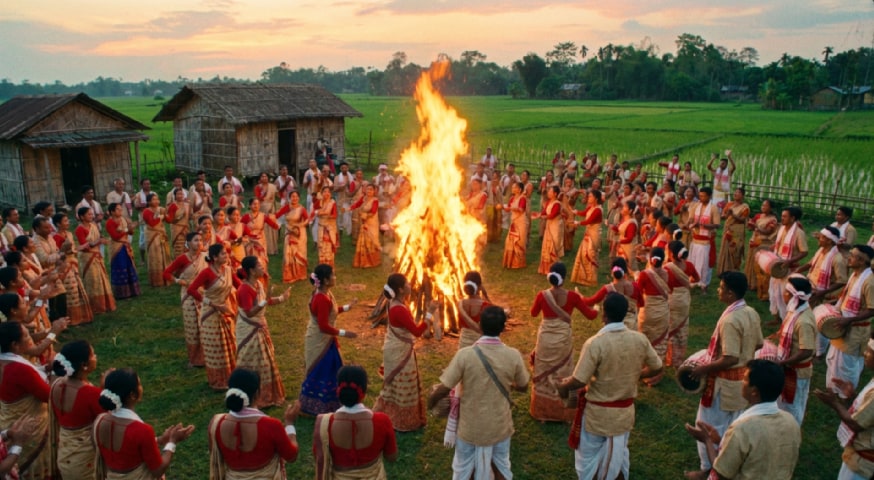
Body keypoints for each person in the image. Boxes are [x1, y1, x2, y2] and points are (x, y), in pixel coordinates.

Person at [558, 292, 663, 480]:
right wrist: (637, 376)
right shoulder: (640, 339)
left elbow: (579, 380)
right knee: (617, 457)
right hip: (623, 415)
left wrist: (563, 387)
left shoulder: (595, 343)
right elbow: (657, 366)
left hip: (597, 417)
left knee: (589, 459)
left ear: (604, 315)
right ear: (625, 314)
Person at [428, 306, 530, 480]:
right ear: (504, 328)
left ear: (480, 326)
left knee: (464, 470)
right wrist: (510, 386)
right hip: (500, 427)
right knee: (501, 468)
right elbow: (524, 385)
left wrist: (430, 403)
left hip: (469, 429)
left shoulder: (465, 355)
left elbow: (444, 387)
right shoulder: (513, 355)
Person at [689, 271, 763, 472]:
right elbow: (759, 344)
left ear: (730, 294)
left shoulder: (730, 320)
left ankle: (708, 469)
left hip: (723, 386)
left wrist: (705, 368)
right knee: (732, 426)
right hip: (742, 383)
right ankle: (725, 465)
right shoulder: (751, 312)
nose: (718, 290)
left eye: (721, 287)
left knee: (707, 426)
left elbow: (730, 357)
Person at [685, 360, 800, 480]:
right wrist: (721, 441)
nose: (741, 382)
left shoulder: (743, 428)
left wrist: (707, 440)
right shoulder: (791, 421)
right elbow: (758, 452)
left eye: (745, 379)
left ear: (754, 392)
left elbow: (721, 474)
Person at [94, 369, 195, 478]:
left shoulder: (100, 421)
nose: (141, 388)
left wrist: (159, 440)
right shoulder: (142, 430)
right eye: (139, 384)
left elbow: (129, 449)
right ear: (132, 395)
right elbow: (158, 470)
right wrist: (172, 442)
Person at [529, 262, 597, 422]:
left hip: (545, 338)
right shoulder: (573, 297)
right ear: (564, 278)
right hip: (563, 340)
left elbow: (533, 313)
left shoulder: (542, 295)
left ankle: (542, 412)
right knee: (563, 371)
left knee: (544, 371)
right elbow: (591, 316)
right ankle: (564, 413)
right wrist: (597, 309)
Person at [208, 369, 299, 478]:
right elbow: (291, 456)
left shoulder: (216, 424)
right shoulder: (271, 426)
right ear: (257, 393)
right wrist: (289, 424)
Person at [314, 365, 398, 479]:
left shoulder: (324, 423)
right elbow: (391, 457)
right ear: (364, 391)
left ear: (338, 390)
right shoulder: (382, 421)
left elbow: (318, 456)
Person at [373, 273, 434, 431]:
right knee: (403, 384)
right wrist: (430, 313)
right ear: (400, 289)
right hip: (400, 352)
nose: (410, 285)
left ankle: (389, 416)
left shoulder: (393, 302)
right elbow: (417, 332)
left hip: (395, 349)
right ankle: (403, 422)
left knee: (394, 385)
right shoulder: (399, 309)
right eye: (407, 283)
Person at [300, 264, 359, 415]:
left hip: (326, 339)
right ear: (325, 280)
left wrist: (347, 307)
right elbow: (323, 326)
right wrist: (345, 333)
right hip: (320, 340)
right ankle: (316, 405)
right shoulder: (321, 298)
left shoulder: (324, 293)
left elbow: (330, 312)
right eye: (333, 275)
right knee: (322, 369)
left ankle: (330, 402)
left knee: (332, 367)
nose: (335, 277)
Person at [236, 256, 291, 408]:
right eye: (260, 266)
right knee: (253, 363)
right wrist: (265, 301)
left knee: (266, 361)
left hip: (259, 326)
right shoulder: (244, 289)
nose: (263, 268)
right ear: (251, 271)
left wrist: (281, 298)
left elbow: (265, 301)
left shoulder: (258, 284)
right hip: (249, 329)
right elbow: (249, 313)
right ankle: (254, 396)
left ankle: (267, 395)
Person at [816, 337, 874, 480]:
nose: (865, 354)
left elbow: (857, 424)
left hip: (862, 463)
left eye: (870, 351)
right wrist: (852, 396)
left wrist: (834, 403)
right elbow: (867, 413)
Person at [0, 322, 52, 480]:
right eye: (27, 335)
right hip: (29, 426)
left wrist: (43, 370)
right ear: (15, 345)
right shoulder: (19, 369)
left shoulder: (6, 362)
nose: (30, 338)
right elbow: (47, 395)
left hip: (8, 421)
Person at [187, 244, 241, 390]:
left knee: (230, 344)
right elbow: (191, 289)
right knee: (216, 347)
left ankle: (231, 376)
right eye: (223, 254)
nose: (226, 256)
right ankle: (218, 381)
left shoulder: (228, 270)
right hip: (210, 314)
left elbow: (240, 286)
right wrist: (211, 303)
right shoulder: (206, 273)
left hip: (225, 311)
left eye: (226, 253)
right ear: (215, 258)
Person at [49, 340, 105, 479]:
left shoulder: (56, 385)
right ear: (84, 365)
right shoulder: (90, 394)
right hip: (84, 460)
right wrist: (104, 389)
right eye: (92, 355)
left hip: (64, 454)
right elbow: (107, 421)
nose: (96, 357)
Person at [826, 245, 874, 395]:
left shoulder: (869, 282)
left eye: (852, 255)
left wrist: (849, 320)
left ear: (861, 261)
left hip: (855, 331)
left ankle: (846, 394)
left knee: (848, 365)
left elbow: (872, 309)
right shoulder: (855, 275)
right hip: (844, 325)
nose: (848, 257)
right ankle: (834, 389)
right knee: (835, 360)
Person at [796, 225, 847, 358]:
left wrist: (822, 292)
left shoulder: (837, 259)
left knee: (821, 323)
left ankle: (819, 352)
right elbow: (811, 263)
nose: (819, 238)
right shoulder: (821, 250)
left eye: (823, 237)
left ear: (830, 240)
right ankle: (809, 345)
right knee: (810, 319)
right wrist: (798, 270)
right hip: (812, 291)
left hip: (824, 295)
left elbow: (842, 281)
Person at [771, 275, 816, 424]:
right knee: (783, 403)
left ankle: (792, 434)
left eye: (785, 292)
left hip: (797, 372)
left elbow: (807, 351)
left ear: (792, 296)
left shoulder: (803, 321)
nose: (783, 294)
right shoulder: (795, 311)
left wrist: (783, 362)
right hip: (788, 368)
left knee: (794, 406)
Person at [163, 232, 208, 368]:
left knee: (206, 325)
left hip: (204, 293)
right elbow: (166, 273)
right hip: (188, 294)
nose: (199, 243)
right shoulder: (183, 258)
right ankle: (194, 359)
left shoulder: (206, 257)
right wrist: (178, 281)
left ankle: (207, 357)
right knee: (192, 328)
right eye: (195, 240)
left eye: (200, 240)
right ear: (188, 243)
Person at [636, 247, 672, 386]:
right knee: (660, 340)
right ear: (663, 260)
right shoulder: (668, 273)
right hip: (662, 311)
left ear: (650, 260)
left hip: (647, 312)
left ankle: (643, 371)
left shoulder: (645, 274)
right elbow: (672, 290)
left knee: (645, 340)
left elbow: (639, 292)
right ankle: (655, 376)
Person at [52, 213, 93, 325]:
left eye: (67, 220)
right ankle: (72, 319)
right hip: (65, 266)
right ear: (58, 224)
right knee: (71, 292)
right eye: (65, 221)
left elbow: (73, 249)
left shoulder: (69, 234)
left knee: (78, 289)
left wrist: (79, 248)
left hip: (73, 264)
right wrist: (66, 250)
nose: (68, 223)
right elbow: (58, 253)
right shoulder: (55, 237)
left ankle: (81, 316)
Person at [769, 206, 808, 322]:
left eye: (785, 216)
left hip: (788, 269)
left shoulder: (798, 233)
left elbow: (804, 252)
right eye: (782, 216)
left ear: (793, 218)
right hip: (777, 267)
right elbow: (778, 244)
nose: (782, 218)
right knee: (774, 292)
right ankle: (777, 318)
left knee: (784, 295)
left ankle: (786, 320)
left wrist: (789, 261)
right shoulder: (782, 229)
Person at [75, 206, 116, 314]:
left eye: (92, 214)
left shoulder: (93, 226)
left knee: (101, 279)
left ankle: (105, 304)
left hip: (97, 255)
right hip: (88, 257)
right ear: (82, 217)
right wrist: (99, 241)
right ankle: (95, 307)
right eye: (89, 214)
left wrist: (100, 239)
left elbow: (96, 238)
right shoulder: (79, 229)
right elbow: (85, 246)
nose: (92, 216)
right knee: (92, 280)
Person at [666, 241, 700, 367]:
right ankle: (679, 358)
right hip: (684, 300)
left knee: (671, 328)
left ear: (670, 253)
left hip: (672, 299)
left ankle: (671, 359)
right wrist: (687, 283)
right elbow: (697, 279)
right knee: (682, 326)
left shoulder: (667, 268)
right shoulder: (689, 266)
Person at [584, 258, 642, 331]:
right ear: (625, 271)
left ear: (612, 272)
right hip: (632, 326)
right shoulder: (635, 286)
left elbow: (590, 302)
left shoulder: (607, 289)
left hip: (613, 327)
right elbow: (641, 304)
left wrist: (579, 296)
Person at [32, 216, 70, 320]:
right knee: (50, 299)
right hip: (45, 275)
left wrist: (60, 255)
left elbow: (56, 251)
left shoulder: (50, 237)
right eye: (45, 228)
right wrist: (61, 253)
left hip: (55, 271)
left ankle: (62, 323)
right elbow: (44, 259)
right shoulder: (35, 242)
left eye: (49, 227)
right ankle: (53, 325)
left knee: (62, 295)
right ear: (36, 229)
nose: (49, 230)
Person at [687, 187, 720, 292]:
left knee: (704, 264)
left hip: (705, 241)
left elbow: (717, 225)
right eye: (700, 195)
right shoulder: (696, 205)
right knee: (693, 261)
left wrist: (702, 225)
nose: (701, 198)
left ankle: (704, 285)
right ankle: (693, 280)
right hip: (695, 239)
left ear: (709, 196)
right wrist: (691, 223)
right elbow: (691, 218)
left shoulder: (714, 208)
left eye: (703, 196)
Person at [106, 202, 141, 300]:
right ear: (112, 212)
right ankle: (121, 293)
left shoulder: (123, 219)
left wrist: (131, 228)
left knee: (129, 265)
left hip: (126, 245)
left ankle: (133, 290)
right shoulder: (110, 223)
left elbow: (131, 233)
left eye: (121, 209)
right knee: (120, 267)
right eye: (118, 209)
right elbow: (115, 237)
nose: (120, 211)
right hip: (117, 247)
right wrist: (126, 229)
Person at [744, 199, 778, 301]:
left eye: (766, 206)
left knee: (759, 265)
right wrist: (750, 224)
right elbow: (751, 227)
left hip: (763, 243)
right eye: (762, 205)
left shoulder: (773, 220)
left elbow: (767, 232)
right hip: (754, 241)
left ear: (770, 208)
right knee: (751, 262)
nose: (763, 207)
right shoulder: (758, 216)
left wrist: (756, 226)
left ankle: (759, 285)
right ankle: (750, 283)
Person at [241, 198, 279, 284]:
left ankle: (263, 273)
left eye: (258, 204)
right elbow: (240, 227)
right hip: (250, 241)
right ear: (250, 206)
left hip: (260, 240)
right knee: (252, 257)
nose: (256, 206)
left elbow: (273, 224)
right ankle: (252, 275)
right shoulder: (246, 217)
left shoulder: (263, 216)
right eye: (254, 204)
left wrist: (279, 225)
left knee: (262, 257)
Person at [570, 189, 603, 286]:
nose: (588, 198)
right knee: (584, 254)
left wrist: (578, 223)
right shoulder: (591, 207)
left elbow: (589, 221)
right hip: (588, 233)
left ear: (596, 198)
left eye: (590, 196)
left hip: (594, 235)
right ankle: (583, 277)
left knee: (590, 255)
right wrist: (575, 211)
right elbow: (584, 213)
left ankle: (591, 279)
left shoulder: (598, 210)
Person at [277, 191, 309, 282]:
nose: (294, 198)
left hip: (299, 232)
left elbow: (307, 219)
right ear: (289, 198)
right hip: (289, 231)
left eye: (296, 196)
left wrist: (300, 225)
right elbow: (277, 215)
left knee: (299, 253)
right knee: (288, 252)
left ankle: (299, 274)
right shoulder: (287, 207)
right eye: (292, 196)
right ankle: (289, 275)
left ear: (299, 198)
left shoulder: (301, 209)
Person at [716, 187, 750, 274]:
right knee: (726, 249)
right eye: (735, 192)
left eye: (738, 193)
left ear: (742, 195)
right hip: (728, 229)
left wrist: (733, 214)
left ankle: (734, 271)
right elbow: (723, 216)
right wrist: (726, 214)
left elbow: (743, 219)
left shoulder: (745, 207)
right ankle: (724, 270)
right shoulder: (729, 204)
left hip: (737, 231)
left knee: (735, 251)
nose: (736, 194)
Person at [347, 184, 381, 268]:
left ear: (374, 191)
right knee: (363, 240)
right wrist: (348, 208)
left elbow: (373, 212)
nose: (369, 191)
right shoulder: (363, 198)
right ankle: (363, 261)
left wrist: (364, 215)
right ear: (365, 190)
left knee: (371, 239)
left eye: (371, 190)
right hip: (363, 221)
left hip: (372, 222)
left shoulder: (375, 200)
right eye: (368, 189)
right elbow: (357, 204)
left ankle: (372, 261)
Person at [142, 193, 171, 287]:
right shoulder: (146, 211)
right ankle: (156, 280)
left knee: (164, 255)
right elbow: (152, 223)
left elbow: (169, 220)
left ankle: (166, 277)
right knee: (155, 256)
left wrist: (167, 214)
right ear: (149, 202)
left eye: (157, 199)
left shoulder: (160, 209)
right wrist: (160, 217)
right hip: (152, 235)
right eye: (154, 199)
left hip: (161, 234)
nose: (156, 201)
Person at [500, 182, 528, 269]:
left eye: (514, 187)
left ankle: (519, 263)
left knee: (519, 241)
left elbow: (521, 209)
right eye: (512, 187)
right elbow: (508, 208)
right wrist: (502, 207)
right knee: (509, 240)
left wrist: (511, 208)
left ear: (519, 190)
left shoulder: (523, 198)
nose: (512, 189)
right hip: (514, 222)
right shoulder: (512, 198)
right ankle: (510, 262)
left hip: (521, 222)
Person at [537, 185, 564, 275]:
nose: (548, 193)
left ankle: (555, 268)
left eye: (550, 192)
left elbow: (552, 215)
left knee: (554, 245)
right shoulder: (549, 202)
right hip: (549, 225)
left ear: (555, 194)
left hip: (555, 226)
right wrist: (538, 215)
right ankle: (547, 268)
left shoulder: (557, 203)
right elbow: (544, 211)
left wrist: (542, 216)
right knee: (547, 245)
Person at [254, 172, 280, 255]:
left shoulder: (272, 187)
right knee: (264, 227)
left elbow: (277, 197)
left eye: (265, 176)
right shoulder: (257, 187)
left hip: (271, 209)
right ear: (260, 178)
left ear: (268, 178)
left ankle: (273, 249)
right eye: (262, 176)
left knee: (272, 228)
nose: (264, 178)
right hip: (262, 209)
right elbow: (258, 198)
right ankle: (266, 248)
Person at [314, 186, 339, 267]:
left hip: (329, 228)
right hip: (321, 227)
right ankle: (322, 264)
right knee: (321, 247)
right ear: (322, 193)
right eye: (325, 191)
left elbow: (335, 215)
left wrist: (325, 214)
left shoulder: (332, 202)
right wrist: (317, 212)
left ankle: (329, 265)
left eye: (328, 192)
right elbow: (314, 210)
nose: (327, 193)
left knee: (328, 247)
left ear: (331, 194)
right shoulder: (319, 202)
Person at [613, 200, 639, 272]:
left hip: (628, 248)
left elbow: (630, 238)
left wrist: (618, 241)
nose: (622, 208)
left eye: (625, 207)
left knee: (629, 267)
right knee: (621, 266)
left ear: (630, 211)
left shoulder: (632, 223)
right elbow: (621, 230)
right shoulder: (624, 219)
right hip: (622, 246)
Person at [165, 187, 190, 259]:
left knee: (187, 246)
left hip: (186, 228)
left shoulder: (187, 205)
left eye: (181, 194)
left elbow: (190, 216)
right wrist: (179, 217)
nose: (180, 196)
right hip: (177, 230)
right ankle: (178, 265)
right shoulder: (173, 205)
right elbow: (170, 220)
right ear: (175, 196)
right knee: (178, 248)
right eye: (178, 194)